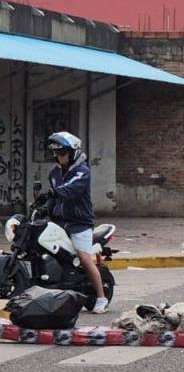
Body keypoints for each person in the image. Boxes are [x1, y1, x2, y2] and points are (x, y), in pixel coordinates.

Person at [45, 132, 108, 313]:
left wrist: (53, 194)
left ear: (72, 152)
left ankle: (101, 297)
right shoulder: (55, 172)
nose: (59, 156)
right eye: (56, 153)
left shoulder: (83, 172)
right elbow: (54, 196)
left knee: (84, 258)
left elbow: (70, 190)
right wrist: (44, 205)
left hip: (80, 222)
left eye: (62, 153)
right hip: (60, 221)